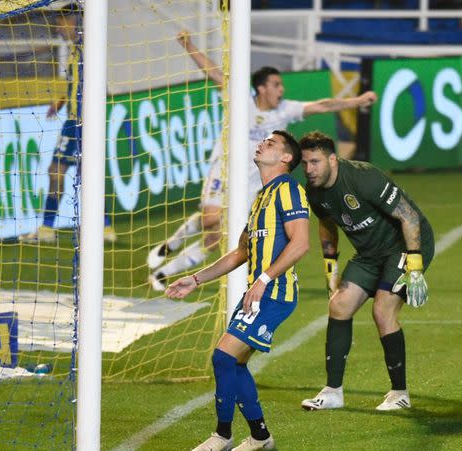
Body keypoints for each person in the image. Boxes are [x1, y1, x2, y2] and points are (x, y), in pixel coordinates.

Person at [147, 30, 377, 291]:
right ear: (262, 87)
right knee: (211, 219)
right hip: (224, 168)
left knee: (216, 239)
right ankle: (172, 243)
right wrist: (189, 45)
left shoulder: (284, 109)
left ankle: (164, 273)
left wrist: (356, 101)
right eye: (276, 84)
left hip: (253, 182)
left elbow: (322, 106)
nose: (282, 89)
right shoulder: (241, 100)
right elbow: (212, 72)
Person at [166, 130, 309, 451]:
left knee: (223, 356)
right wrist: (196, 279)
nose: (262, 144)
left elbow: (301, 243)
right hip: (257, 293)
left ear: (286, 158)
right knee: (235, 363)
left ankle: (222, 433)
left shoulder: (288, 190)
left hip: (275, 293)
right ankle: (260, 436)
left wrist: (263, 279)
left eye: (271, 143)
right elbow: (240, 252)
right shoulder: (262, 197)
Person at [298, 131, 434, 411]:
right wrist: (330, 267)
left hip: (403, 246)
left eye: (315, 162)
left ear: (333, 159)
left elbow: (408, 216)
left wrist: (415, 266)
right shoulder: (313, 190)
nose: (309, 170)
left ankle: (400, 393)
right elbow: (326, 223)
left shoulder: (364, 178)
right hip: (370, 254)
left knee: (383, 310)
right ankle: (333, 392)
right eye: (305, 163)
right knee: (339, 305)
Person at [19, 3, 116, 244]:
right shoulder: (78, 49)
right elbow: (80, 85)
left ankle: (47, 229)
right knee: (84, 174)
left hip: (79, 122)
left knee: (56, 171)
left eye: (61, 21)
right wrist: (61, 101)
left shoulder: (86, 49)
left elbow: (100, 88)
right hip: (79, 120)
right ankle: (105, 229)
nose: (57, 26)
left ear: (74, 21)